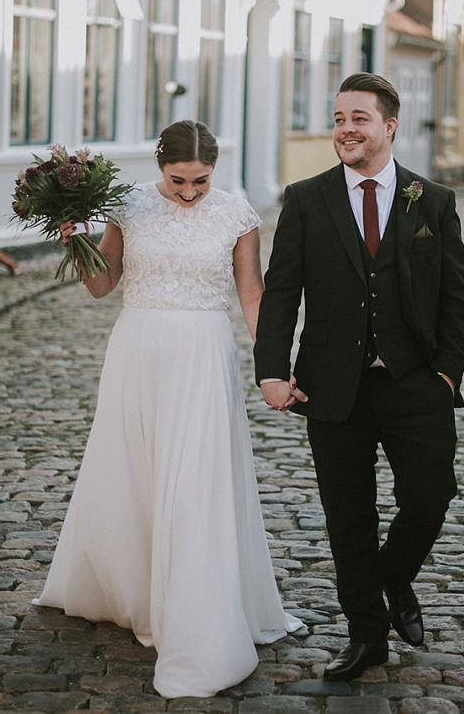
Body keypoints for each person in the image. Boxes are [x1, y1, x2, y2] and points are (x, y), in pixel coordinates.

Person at [32, 120, 300, 698]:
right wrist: (73, 242)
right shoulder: (127, 208)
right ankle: (130, 587)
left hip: (203, 357)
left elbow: (251, 295)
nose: (188, 192)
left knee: (195, 481)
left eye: (200, 181)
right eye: (178, 180)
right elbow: (102, 286)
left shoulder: (236, 214)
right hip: (138, 351)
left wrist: (274, 365)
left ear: (215, 171)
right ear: (160, 167)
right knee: (133, 471)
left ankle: (193, 604)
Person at [254, 72, 464, 681]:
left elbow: (456, 297)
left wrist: (447, 376)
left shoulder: (432, 202)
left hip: (414, 384)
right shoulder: (305, 199)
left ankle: (393, 576)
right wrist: (271, 370)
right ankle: (366, 637)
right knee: (348, 515)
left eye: (359, 118)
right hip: (331, 386)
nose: (346, 129)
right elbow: (280, 293)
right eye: (340, 118)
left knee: (431, 496)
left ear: (389, 126)